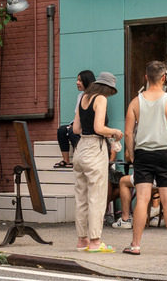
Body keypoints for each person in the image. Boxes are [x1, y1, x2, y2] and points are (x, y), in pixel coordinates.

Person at [123, 60, 167, 255]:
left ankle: (135, 245)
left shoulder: (135, 102)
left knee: (142, 199)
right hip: (166, 154)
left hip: (143, 154)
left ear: (146, 77)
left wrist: (133, 155)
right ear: (164, 78)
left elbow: (127, 133)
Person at [72, 72, 123, 253]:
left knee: (81, 197)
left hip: (80, 149)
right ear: (106, 88)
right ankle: (94, 242)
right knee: (97, 197)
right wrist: (115, 131)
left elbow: (76, 128)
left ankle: (81, 240)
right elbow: (99, 128)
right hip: (95, 148)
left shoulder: (83, 98)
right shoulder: (100, 99)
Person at [55, 70, 96, 168]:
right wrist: (72, 124)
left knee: (73, 131)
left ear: (87, 81)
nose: (77, 83)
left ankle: (80, 159)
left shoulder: (95, 97)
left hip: (90, 128)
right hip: (79, 124)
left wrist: (75, 127)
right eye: (77, 80)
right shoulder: (80, 96)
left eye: (80, 80)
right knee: (62, 130)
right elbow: (78, 115)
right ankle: (66, 160)